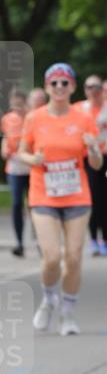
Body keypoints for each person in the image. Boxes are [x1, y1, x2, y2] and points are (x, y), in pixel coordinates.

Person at [18, 63, 102, 336]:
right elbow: (22, 152)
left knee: (74, 258)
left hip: (77, 195)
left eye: (65, 83)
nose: (59, 88)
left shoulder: (82, 118)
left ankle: (67, 313)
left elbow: (97, 164)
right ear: (46, 87)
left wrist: (92, 148)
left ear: (73, 87)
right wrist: (34, 159)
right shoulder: (35, 118)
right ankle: (48, 298)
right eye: (54, 83)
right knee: (52, 257)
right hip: (44, 194)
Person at [0, 89, 30, 257]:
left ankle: (41, 240)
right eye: (14, 105)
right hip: (14, 168)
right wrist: (4, 148)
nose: (16, 109)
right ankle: (19, 242)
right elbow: (6, 137)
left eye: (19, 105)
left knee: (34, 205)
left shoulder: (32, 118)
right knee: (17, 204)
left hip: (31, 167)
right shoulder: (7, 119)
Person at [80, 74, 107, 256]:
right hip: (87, 159)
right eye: (89, 87)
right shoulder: (79, 108)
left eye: (96, 87)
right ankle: (93, 240)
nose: (93, 90)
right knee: (92, 200)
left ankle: (104, 239)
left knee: (104, 200)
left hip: (105, 157)